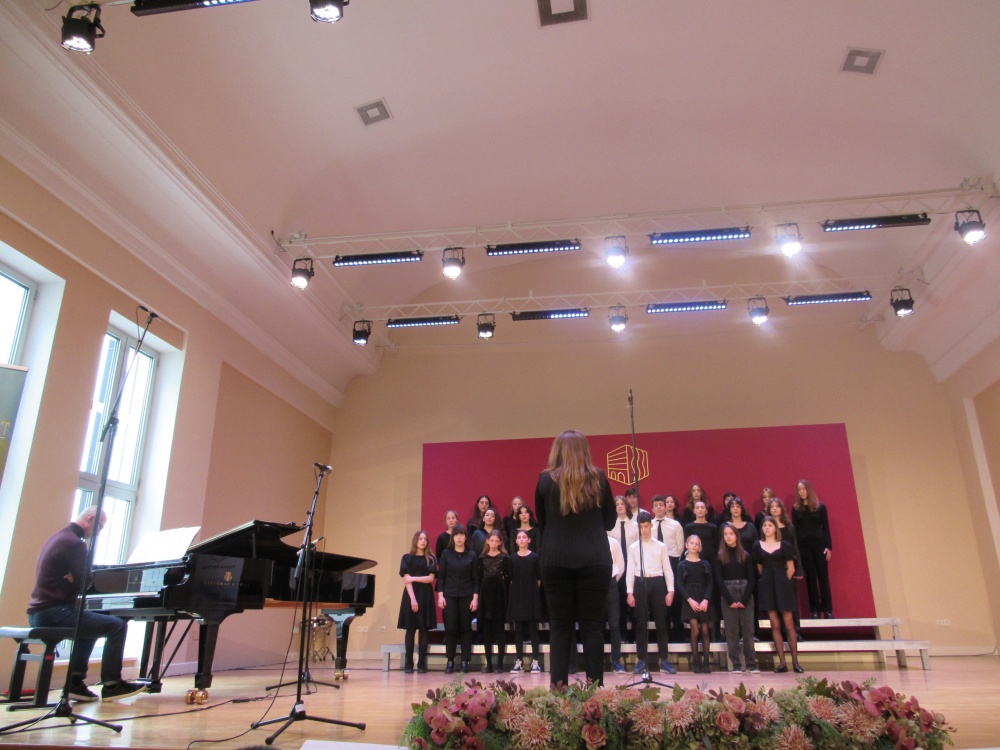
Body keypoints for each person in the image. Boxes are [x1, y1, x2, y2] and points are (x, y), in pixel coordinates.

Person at [27, 507, 146, 702]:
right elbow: (84, 582)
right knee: (118, 626)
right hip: (55, 613)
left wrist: (74, 577)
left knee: (92, 623)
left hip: (39, 613)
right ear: (90, 518)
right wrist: (82, 578)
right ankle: (113, 685)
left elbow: (77, 579)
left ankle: (75, 682)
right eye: (99, 527)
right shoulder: (76, 544)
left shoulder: (58, 537)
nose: (98, 533)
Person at [535, 430, 616, 687]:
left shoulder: (545, 480)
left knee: (560, 629)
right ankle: (595, 692)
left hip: (555, 559)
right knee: (592, 627)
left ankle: (558, 692)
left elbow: (542, 522)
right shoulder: (599, 478)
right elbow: (610, 521)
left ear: (557, 451)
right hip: (595, 559)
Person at [626, 511, 677, 674]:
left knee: (662, 622)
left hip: (657, 583)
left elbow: (667, 569)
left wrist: (670, 590)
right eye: (641, 527)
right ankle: (642, 660)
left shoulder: (661, 546)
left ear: (651, 526)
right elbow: (630, 570)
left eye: (646, 526)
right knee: (641, 623)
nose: (644, 530)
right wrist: (629, 592)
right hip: (640, 582)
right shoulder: (633, 547)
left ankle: (664, 659)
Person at [753, 517, 803, 673]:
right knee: (774, 624)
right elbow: (759, 567)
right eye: (765, 525)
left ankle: (795, 662)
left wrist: (783, 582)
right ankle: (782, 663)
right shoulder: (757, 546)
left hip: (783, 586)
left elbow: (791, 568)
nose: (767, 528)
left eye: (770, 525)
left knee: (789, 624)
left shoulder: (784, 545)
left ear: (775, 528)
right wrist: (768, 580)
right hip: (768, 586)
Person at [715, 523, 759, 673]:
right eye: (726, 534)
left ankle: (751, 663)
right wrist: (730, 600)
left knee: (748, 631)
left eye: (731, 534)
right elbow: (719, 580)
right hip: (728, 593)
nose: (728, 537)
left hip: (745, 591)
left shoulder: (745, 555)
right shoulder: (720, 557)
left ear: (736, 536)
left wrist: (744, 599)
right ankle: (736, 664)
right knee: (732, 631)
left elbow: (752, 578)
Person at [436, 525, 479, 673]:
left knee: (466, 628)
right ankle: (450, 660)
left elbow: (475, 579)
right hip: (449, 595)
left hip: (467, 596)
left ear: (466, 537)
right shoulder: (446, 554)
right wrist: (440, 596)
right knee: (451, 628)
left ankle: (465, 661)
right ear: (453, 537)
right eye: (456, 535)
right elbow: (441, 577)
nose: (459, 537)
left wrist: (475, 599)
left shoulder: (472, 555)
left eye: (461, 534)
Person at [793, 480, 834, 619]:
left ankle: (827, 610)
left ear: (809, 490)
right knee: (810, 579)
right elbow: (794, 531)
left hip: (820, 546)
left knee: (823, 577)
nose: (802, 491)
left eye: (804, 489)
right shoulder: (796, 509)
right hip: (805, 548)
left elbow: (826, 528)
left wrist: (829, 547)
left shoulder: (820, 507)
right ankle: (815, 610)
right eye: (799, 489)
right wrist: (797, 551)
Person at [397, 530, 437, 673]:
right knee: (410, 629)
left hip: (425, 595)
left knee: (424, 629)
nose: (423, 541)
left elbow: (430, 578)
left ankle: (421, 664)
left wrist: (414, 578)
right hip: (411, 595)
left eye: (425, 539)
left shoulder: (430, 559)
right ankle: (409, 664)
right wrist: (413, 599)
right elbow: (406, 580)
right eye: (420, 539)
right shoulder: (407, 558)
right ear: (415, 541)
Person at [676, 534, 714, 673]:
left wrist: (706, 599)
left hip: (703, 597)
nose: (694, 545)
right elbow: (680, 584)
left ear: (700, 547)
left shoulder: (705, 564)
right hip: (689, 599)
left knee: (705, 630)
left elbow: (710, 583)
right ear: (686, 545)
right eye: (691, 543)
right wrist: (690, 600)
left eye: (697, 543)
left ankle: (706, 662)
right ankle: (696, 661)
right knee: (695, 630)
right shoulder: (682, 565)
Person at [507, 529, 543, 674]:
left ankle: (536, 661)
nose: (521, 539)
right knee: (519, 630)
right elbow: (511, 579)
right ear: (516, 541)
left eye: (524, 537)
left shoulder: (535, 557)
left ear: (529, 540)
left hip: (531, 597)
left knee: (533, 629)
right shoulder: (512, 559)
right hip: (517, 597)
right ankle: (519, 661)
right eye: (519, 537)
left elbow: (538, 579)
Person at [477, 530, 511, 673]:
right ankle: (489, 664)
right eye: (492, 541)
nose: (494, 543)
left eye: (497, 541)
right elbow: (479, 578)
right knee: (487, 631)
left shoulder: (504, 558)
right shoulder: (482, 558)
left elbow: (508, 579)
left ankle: (499, 664)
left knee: (500, 630)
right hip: (486, 596)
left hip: (499, 596)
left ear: (500, 542)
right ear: (487, 541)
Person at [608, 495, 638, 644]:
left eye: (622, 504)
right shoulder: (610, 527)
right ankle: (622, 634)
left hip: (633, 567)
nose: (619, 506)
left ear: (627, 506)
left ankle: (635, 635)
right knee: (619, 603)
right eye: (617, 504)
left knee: (633, 602)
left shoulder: (635, 525)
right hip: (618, 570)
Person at [605, 536, 626, 673]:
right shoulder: (590, 541)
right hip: (594, 585)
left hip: (611, 583)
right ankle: (595, 661)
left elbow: (621, 566)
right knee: (595, 625)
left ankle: (616, 661)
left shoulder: (613, 542)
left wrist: (613, 580)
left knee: (614, 624)